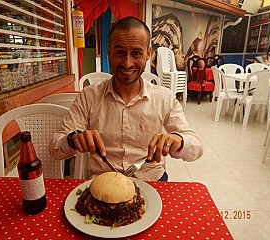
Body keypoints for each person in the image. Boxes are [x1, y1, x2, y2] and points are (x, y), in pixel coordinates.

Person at [49, 16, 203, 181]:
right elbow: (55, 149)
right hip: (103, 183)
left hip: (151, 180)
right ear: (109, 52)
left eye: (136, 53)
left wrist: (179, 140)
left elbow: (196, 148)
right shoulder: (89, 97)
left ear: (148, 54)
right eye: (120, 52)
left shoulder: (163, 98)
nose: (127, 63)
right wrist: (72, 140)